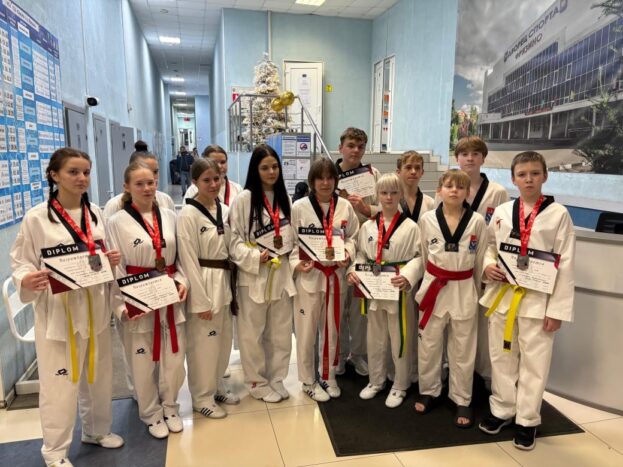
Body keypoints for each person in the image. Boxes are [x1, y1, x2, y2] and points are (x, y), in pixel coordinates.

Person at [10, 148, 124, 467]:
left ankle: (96, 430)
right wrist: (26, 279)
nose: (82, 178)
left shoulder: (95, 213)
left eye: (86, 172)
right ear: (54, 175)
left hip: (95, 307)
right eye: (73, 172)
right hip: (59, 312)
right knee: (59, 385)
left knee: (98, 375)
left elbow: (100, 254)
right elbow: (21, 261)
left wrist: (111, 259)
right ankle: (55, 451)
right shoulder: (37, 217)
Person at [478, 151, 575, 451]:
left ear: (545, 176)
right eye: (522, 174)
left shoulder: (558, 214)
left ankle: (528, 419)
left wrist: (557, 310)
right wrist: (487, 265)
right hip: (503, 297)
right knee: (501, 357)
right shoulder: (503, 211)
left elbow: (566, 264)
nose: (529, 179)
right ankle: (502, 409)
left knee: (535, 362)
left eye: (534, 173)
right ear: (513, 179)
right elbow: (490, 247)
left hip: (537, 301)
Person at [107, 161, 188, 439]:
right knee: (141, 361)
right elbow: (116, 269)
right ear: (127, 187)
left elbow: (181, 257)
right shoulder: (116, 222)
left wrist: (183, 281)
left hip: (168, 293)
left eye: (151, 182)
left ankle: (171, 406)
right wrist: (121, 305)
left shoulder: (170, 215)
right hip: (137, 297)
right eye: (139, 184)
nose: (146, 188)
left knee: (174, 357)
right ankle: (151, 413)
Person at [414, 169, 487, 429]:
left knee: (463, 348)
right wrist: (427, 280)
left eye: (460, 187)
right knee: (429, 344)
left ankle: (462, 398)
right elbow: (424, 256)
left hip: (464, 288)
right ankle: (429, 390)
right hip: (434, 287)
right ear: (439, 190)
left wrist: (476, 291)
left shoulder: (477, 221)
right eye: (449, 186)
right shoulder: (427, 220)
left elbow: (480, 260)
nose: (454, 190)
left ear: (468, 192)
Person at [347, 173, 423, 408]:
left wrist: (408, 275)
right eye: (384, 193)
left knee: (401, 336)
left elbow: (420, 257)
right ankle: (376, 380)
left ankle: (400, 383)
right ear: (377, 195)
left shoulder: (411, 227)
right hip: (374, 288)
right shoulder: (368, 226)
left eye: (394, 192)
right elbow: (361, 254)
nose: (389, 197)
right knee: (375, 336)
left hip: (398, 288)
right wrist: (354, 270)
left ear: (401, 195)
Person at [229, 144, 296, 403]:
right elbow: (234, 241)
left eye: (275, 167)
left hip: (280, 273)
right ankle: (256, 381)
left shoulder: (284, 197)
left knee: (280, 332)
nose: (271, 172)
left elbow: (291, 235)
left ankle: (277, 377)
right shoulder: (244, 200)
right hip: (254, 275)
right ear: (255, 170)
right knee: (252, 333)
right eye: (265, 167)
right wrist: (256, 257)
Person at [290, 158, 359, 401]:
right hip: (310, 276)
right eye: (320, 178)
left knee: (332, 330)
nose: (326, 183)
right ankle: (308, 380)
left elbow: (353, 237)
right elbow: (291, 242)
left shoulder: (345, 207)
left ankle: (328, 376)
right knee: (306, 332)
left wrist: (347, 253)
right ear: (312, 181)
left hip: (335, 276)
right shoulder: (299, 207)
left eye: (330, 177)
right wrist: (297, 263)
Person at [177, 158, 239, 419]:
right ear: (194, 182)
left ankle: (216, 386)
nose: (213, 184)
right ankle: (202, 397)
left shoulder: (223, 209)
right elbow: (187, 259)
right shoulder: (188, 214)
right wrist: (199, 301)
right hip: (202, 281)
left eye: (217, 179)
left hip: (224, 280)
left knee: (223, 342)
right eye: (206, 180)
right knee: (203, 345)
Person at [452, 136, 509, 385]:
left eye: (475, 154)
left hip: (486, 260)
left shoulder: (497, 192)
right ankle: (454, 368)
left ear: (483, 158)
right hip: (456, 262)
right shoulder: (450, 187)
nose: (470, 158)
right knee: (458, 317)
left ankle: (484, 371)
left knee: (485, 318)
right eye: (465, 154)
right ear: (457, 158)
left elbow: (503, 232)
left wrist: (492, 263)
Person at [335, 127, 380, 377]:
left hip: (365, 249)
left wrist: (366, 209)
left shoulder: (372, 174)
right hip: (335, 251)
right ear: (340, 147)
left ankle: (358, 354)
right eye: (351, 145)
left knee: (359, 308)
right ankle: (339, 355)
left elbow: (387, 208)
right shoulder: (328, 175)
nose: (355, 150)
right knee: (337, 307)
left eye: (360, 146)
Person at [396, 150, 435, 384]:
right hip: (398, 269)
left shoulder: (430, 202)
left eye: (417, 168)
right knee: (401, 323)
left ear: (422, 172)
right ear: (398, 171)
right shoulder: (391, 199)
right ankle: (399, 370)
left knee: (422, 323)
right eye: (408, 167)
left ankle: (420, 370)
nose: (412, 172)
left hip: (424, 267)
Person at [103, 151, 175, 220]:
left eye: (155, 172)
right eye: (145, 170)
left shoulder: (166, 200)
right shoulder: (115, 205)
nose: (151, 176)